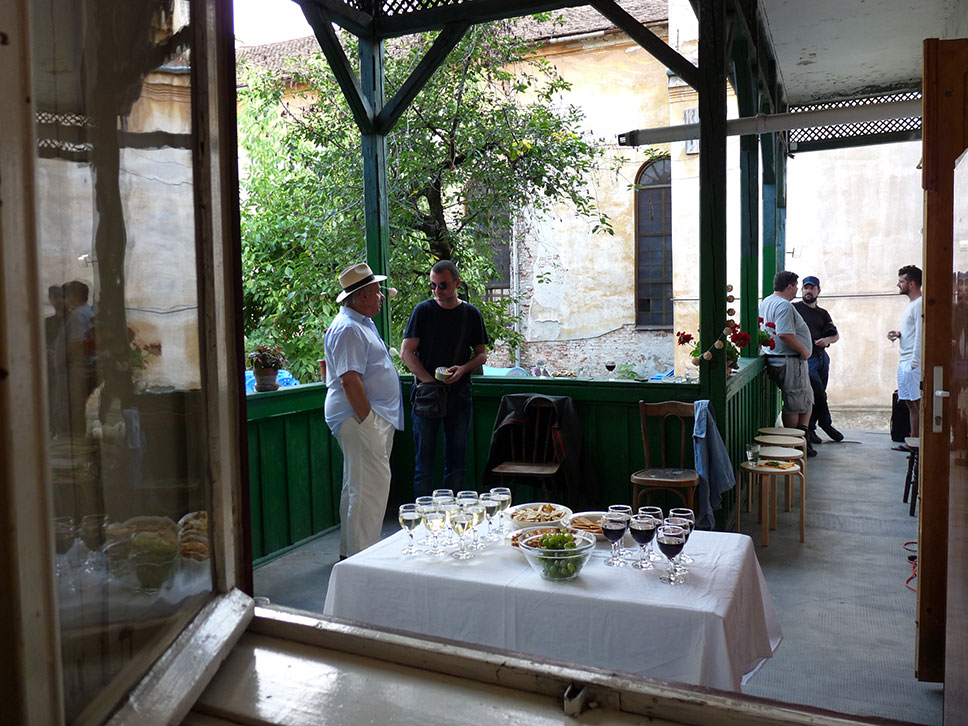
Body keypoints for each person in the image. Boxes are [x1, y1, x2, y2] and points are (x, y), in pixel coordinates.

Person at [324, 263, 403, 558]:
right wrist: (368, 419)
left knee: (358, 486)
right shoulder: (348, 329)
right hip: (359, 418)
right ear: (361, 296)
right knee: (368, 489)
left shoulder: (360, 323)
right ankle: (362, 559)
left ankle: (353, 555)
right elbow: (349, 379)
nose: (382, 296)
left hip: (365, 418)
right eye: (377, 291)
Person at [401, 260, 488, 497]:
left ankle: (451, 519)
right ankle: (421, 522)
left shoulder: (471, 313)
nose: (437, 291)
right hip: (427, 395)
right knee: (424, 463)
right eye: (432, 286)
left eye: (442, 285)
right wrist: (428, 381)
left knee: (457, 461)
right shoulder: (424, 311)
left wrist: (463, 368)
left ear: (457, 283)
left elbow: (481, 355)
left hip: (459, 394)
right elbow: (406, 352)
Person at [759, 271, 816, 456]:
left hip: (781, 359)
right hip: (789, 360)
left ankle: (802, 438)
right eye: (796, 287)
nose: (797, 291)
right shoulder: (783, 306)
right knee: (794, 402)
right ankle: (792, 445)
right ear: (789, 286)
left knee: (805, 398)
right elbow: (784, 333)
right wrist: (803, 350)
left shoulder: (766, 301)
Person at [793, 276, 843, 444]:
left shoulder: (823, 313)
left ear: (818, 291)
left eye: (812, 288)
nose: (808, 291)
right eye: (805, 288)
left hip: (822, 357)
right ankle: (825, 423)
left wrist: (828, 340)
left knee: (818, 393)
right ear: (801, 290)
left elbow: (835, 334)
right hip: (806, 358)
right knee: (817, 392)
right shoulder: (795, 309)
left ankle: (812, 429)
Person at [887, 265, 922, 441]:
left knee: (916, 403)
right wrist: (899, 334)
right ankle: (912, 442)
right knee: (909, 403)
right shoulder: (912, 305)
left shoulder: (919, 304)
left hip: (911, 362)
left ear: (912, 283)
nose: (898, 284)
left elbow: (921, 335)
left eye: (902, 281)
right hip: (906, 361)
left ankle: (917, 446)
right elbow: (913, 332)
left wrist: (914, 362)